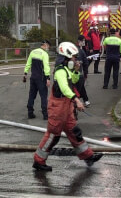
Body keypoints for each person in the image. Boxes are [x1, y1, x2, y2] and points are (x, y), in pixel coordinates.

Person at [33, 41, 103, 172]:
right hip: (58, 108)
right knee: (53, 135)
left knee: (74, 132)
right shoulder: (60, 71)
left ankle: (88, 157)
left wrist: (76, 71)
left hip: (67, 108)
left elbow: (74, 81)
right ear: (66, 57)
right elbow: (65, 88)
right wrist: (76, 100)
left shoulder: (67, 70)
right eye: (73, 57)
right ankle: (39, 160)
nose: (75, 59)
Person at [23, 39, 51, 120]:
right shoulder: (44, 54)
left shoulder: (33, 52)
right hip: (41, 78)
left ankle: (30, 113)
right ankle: (45, 115)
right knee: (43, 96)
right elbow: (46, 67)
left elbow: (28, 64)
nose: (48, 48)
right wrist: (48, 78)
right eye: (48, 46)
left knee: (32, 95)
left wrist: (25, 74)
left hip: (33, 77)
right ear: (45, 45)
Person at [75, 35, 90, 106]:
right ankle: (83, 100)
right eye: (83, 41)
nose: (84, 42)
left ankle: (85, 100)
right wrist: (86, 73)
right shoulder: (79, 50)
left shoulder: (82, 49)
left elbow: (85, 62)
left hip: (78, 73)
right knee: (79, 87)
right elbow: (85, 62)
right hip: (77, 73)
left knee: (80, 87)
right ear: (79, 41)